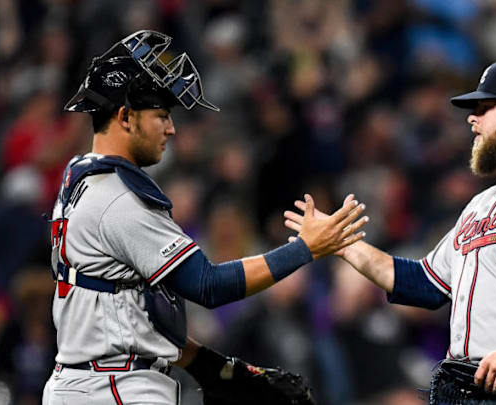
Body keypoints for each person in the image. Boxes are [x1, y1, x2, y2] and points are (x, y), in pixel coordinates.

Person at [43, 30, 368, 405]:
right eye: (161, 115)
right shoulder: (118, 200)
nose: (171, 128)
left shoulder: (83, 177)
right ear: (125, 117)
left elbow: (138, 313)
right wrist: (306, 249)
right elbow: (208, 286)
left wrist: (217, 369)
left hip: (97, 382)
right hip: (114, 388)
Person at [285, 58, 496, 403]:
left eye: (486, 107)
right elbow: (426, 285)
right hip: (475, 387)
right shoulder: (479, 206)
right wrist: (341, 242)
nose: (472, 118)